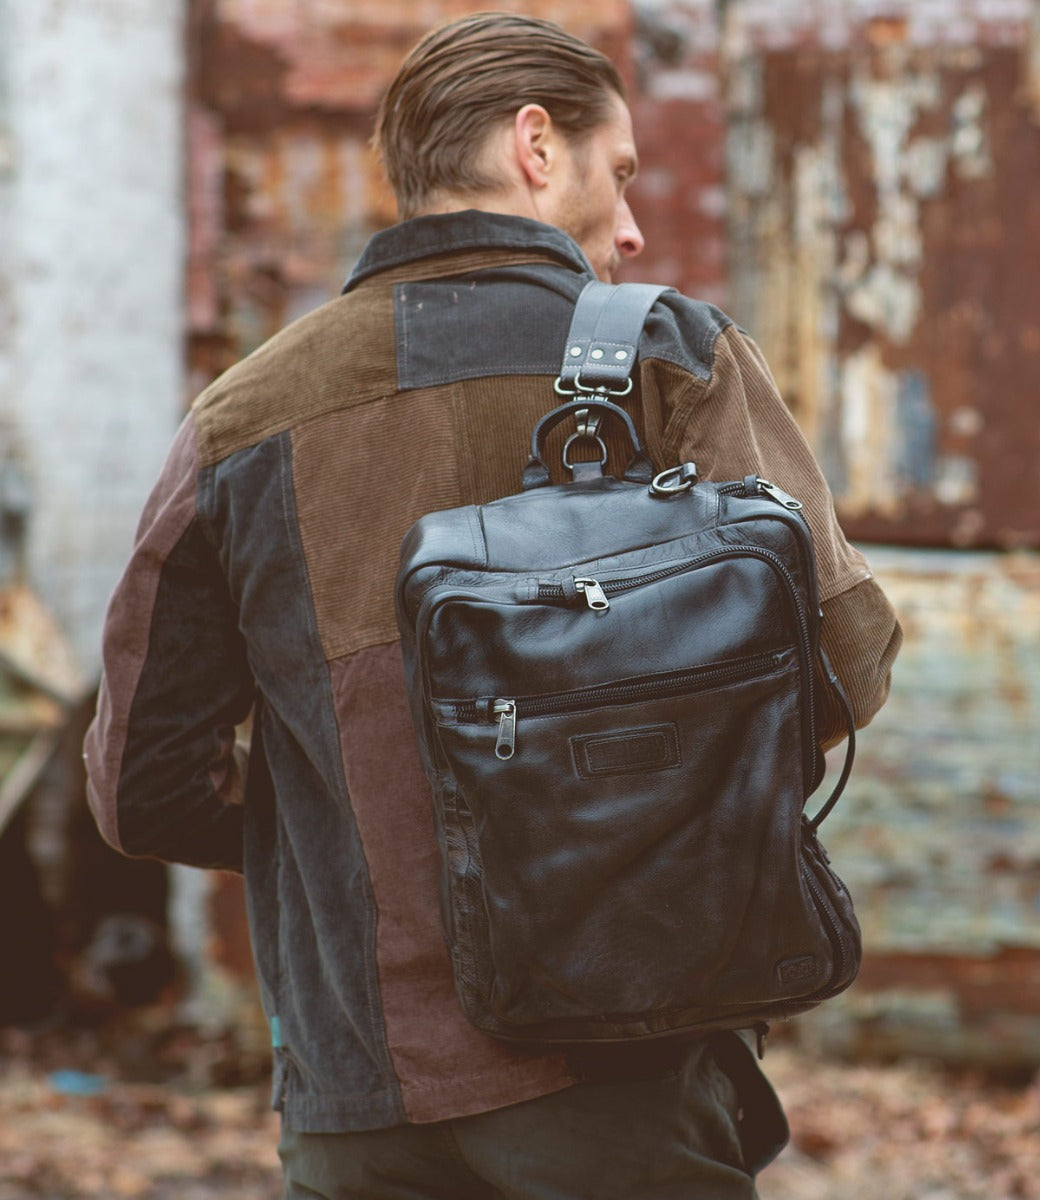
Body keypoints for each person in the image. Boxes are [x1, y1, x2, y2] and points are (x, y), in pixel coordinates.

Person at [84, 11, 902, 1198]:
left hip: (352, 1087)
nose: (627, 229)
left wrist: (353, 817)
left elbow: (141, 789)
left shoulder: (239, 420)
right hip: (618, 1064)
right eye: (616, 174)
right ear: (534, 146)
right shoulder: (672, 359)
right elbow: (843, 668)